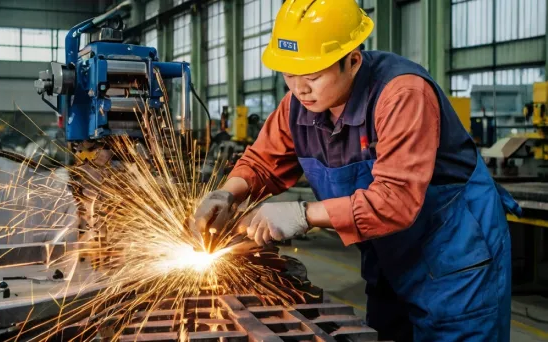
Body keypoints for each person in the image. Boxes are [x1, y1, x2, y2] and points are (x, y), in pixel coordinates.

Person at [192, 0, 522, 341]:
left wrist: (301, 214)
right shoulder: (297, 106)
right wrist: (226, 193)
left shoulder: (401, 94)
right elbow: (262, 162)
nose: (299, 89)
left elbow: (395, 200)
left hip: (455, 255)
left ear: (352, 61)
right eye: (289, 75)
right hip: (387, 255)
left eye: (313, 76)